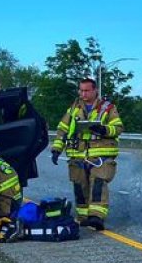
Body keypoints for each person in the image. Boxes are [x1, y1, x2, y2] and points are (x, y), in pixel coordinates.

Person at [51, 77, 123, 231]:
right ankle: (83, 216)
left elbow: (118, 127)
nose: (83, 94)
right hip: (77, 154)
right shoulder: (73, 109)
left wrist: (104, 130)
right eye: (81, 90)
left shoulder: (108, 108)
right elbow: (62, 129)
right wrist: (57, 149)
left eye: (87, 90)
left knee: (98, 183)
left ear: (95, 90)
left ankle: (96, 217)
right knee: (80, 186)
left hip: (100, 154)